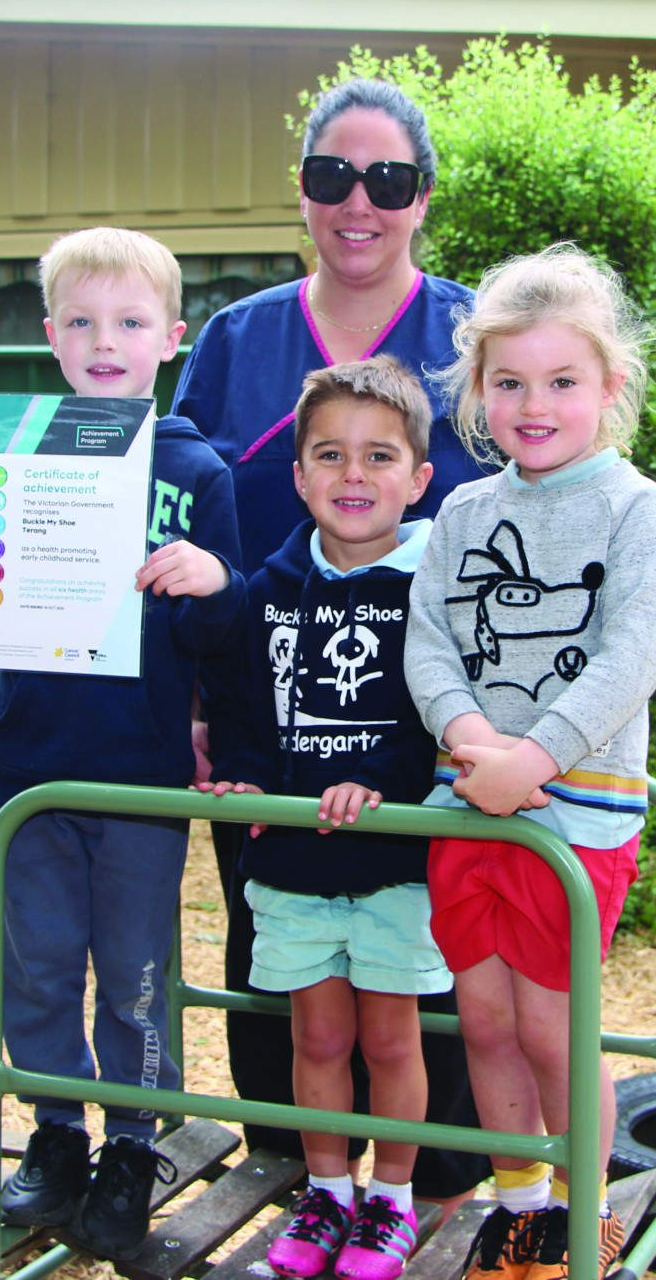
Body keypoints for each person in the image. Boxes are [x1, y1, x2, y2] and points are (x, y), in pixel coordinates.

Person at [172, 77, 491, 1210]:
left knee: (430, 952)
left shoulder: (473, 338)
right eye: (332, 176)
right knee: (283, 944)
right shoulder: (232, 340)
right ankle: (291, 1176)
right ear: (300, 190)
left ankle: (432, 1187)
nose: (359, 202)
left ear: (421, 196)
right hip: (264, 719)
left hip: (433, 731)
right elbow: (172, 508)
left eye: (388, 179)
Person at [0, 228, 245, 1255]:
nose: (104, 341)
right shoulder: (19, 452)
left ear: (170, 336)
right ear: (49, 335)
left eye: (128, 321)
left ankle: (133, 1142)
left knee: (135, 974)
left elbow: (226, 639)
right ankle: (55, 1134)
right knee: (35, 966)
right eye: (81, 321)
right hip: (25, 762)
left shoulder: (200, 472)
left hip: (140, 773)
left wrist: (213, 585)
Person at [404, 243, 656, 1280]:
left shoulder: (633, 509)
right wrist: (468, 738)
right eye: (509, 381)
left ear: (607, 387)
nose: (535, 403)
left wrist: (536, 754)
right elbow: (426, 638)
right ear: (477, 388)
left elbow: (631, 652)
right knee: (480, 1017)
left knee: (552, 1024)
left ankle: (583, 1214)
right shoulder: (464, 514)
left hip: (571, 814)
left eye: (561, 381)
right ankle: (517, 1209)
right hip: (468, 799)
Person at [200, 356, 447, 1280]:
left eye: (380, 456)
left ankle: (392, 1201)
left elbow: (439, 713)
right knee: (317, 1038)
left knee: (391, 1039)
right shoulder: (268, 594)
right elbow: (243, 708)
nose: (354, 475)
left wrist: (384, 787)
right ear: (298, 475)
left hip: (390, 864)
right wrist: (245, 775)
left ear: (418, 480)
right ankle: (326, 1191)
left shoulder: (434, 592)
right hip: (295, 861)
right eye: (331, 455)